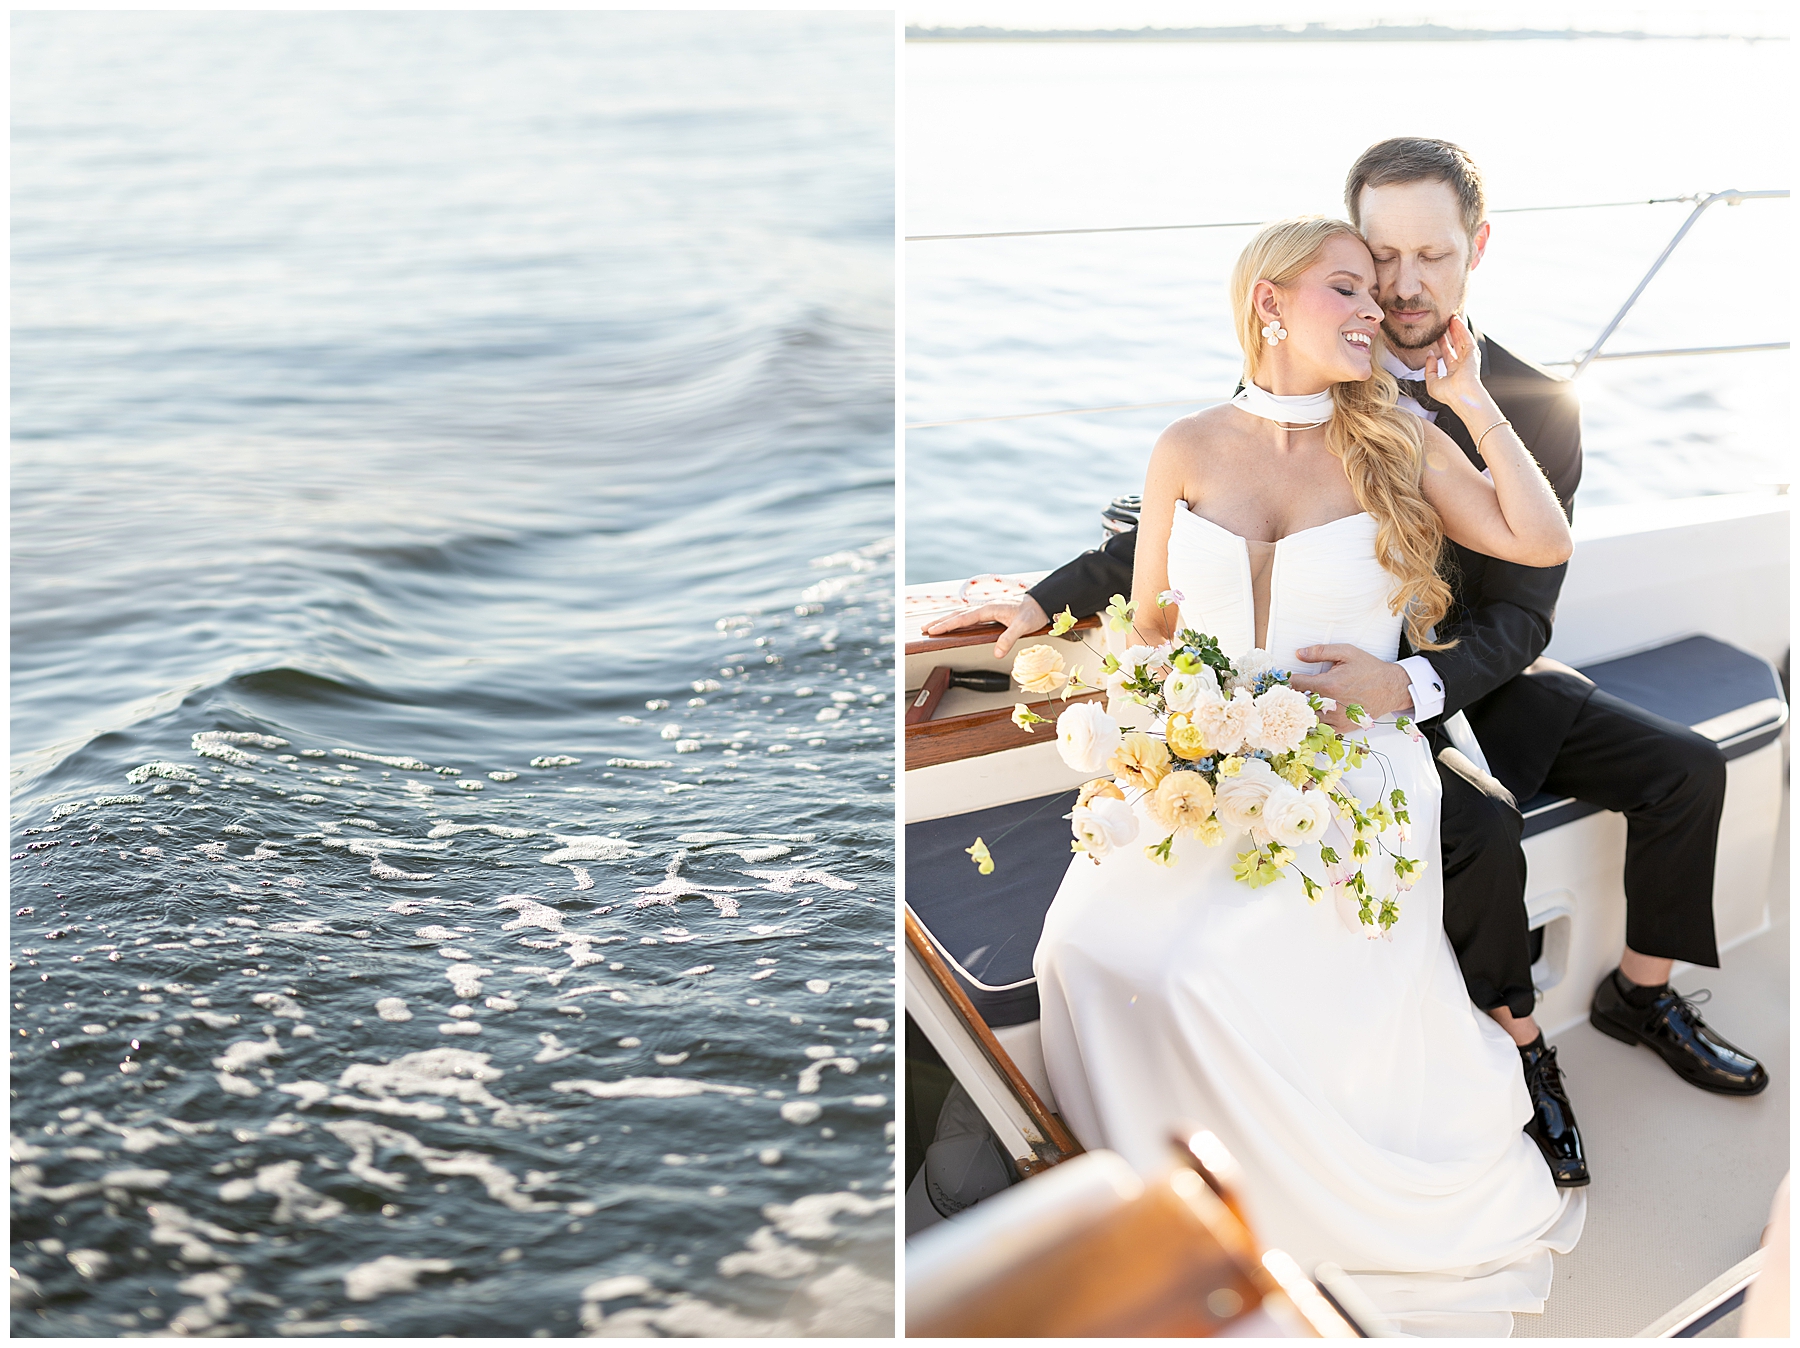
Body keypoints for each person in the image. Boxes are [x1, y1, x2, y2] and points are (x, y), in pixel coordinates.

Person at [929, 138, 1767, 1191]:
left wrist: (1410, 687)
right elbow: (1197, 530)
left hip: (1469, 681)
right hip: (1326, 702)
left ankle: (1639, 995)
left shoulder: (1530, 403)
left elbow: (1524, 610)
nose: (1401, 288)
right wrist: (1045, 599)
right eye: (1378, 261)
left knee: (1685, 769)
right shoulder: (1302, 372)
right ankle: (1522, 1041)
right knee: (1479, 829)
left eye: (1430, 257)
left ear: (1476, 251)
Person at [1033, 215, 1583, 1334]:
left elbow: (1541, 539)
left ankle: (1291, 1220)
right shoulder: (1185, 445)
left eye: (1376, 297)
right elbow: (1148, 630)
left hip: (1358, 771)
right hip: (1204, 759)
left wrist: (1469, 397)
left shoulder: (1401, 436)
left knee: (1205, 965)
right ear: (1269, 303)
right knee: (1077, 946)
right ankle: (1171, 1208)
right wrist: (1143, 741)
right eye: (1349, 288)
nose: (1375, 310)